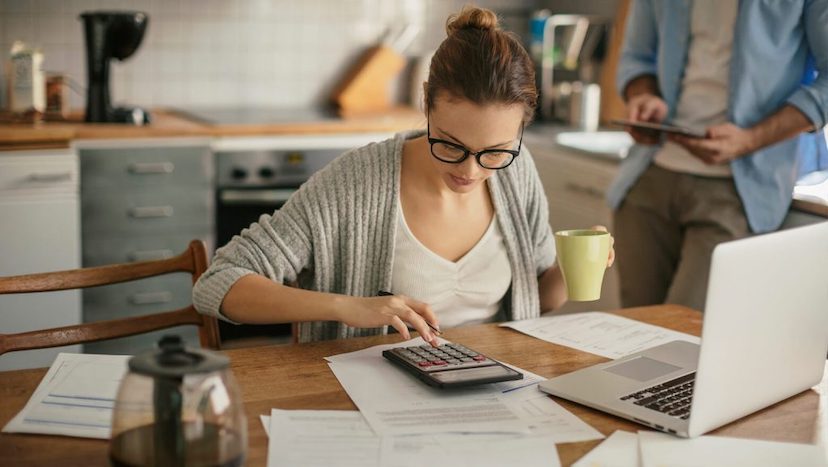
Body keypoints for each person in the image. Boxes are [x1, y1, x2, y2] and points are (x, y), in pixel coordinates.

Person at [193, 6, 615, 345]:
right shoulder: (357, 183)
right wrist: (346, 307)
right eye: (450, 144)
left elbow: (538, 299)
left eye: (494, 152)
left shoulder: (517, 172)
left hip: (495, 385)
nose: (470, 170)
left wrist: (569, 267)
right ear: (427, 102)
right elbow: (218, 284)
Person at [609, 0, 828, 311]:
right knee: (629, 334)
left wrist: (749, 140)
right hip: (649, 177)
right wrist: (642, 96)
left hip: (738, 191)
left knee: (686, 344)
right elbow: (636, 59)